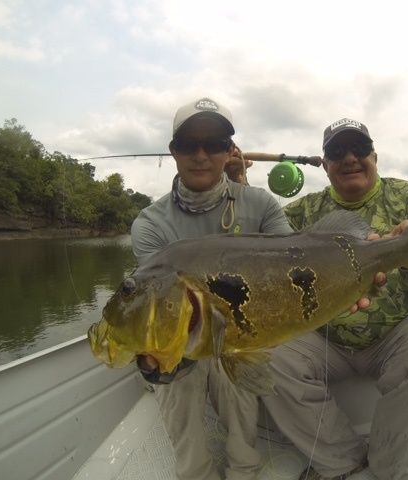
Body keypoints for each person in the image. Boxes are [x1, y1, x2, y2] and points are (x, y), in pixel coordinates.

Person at [261, 118, 408, 480]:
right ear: (324, 166)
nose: (350, 158)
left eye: (359, 149)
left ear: (375, 156)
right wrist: (237, 185)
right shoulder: (301, 212)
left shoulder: (407, 198)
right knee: (266, 357)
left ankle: (393, 469)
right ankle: (340, 464)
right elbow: (257, 253)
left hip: (394, 335)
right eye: (337, 152)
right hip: (323, 338)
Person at [131, 97, 294, 480]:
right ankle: (195, 473)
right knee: (177, 372)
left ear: (229, 151)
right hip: (180, 336)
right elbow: (155, 302)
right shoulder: (150, 224)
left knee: (231, 359)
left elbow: (292, 263)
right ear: (173, 152)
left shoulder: (262, 205)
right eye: (189, 144)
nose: (201, 154)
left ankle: (243, 468)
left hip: (241, 333)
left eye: (215, 144)